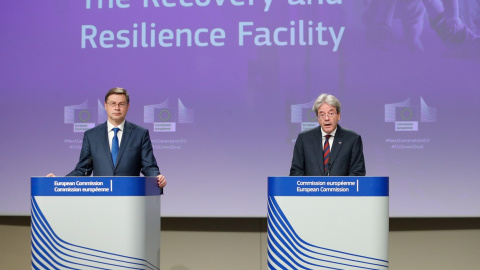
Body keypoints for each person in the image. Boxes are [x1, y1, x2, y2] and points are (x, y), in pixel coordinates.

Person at [47, 87, 167, 188]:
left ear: (128, 106)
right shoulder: (91, 135)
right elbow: (83, 170)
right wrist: (60, 182)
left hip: (130, 197)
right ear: (105, 106)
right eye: (113, 104)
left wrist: (157, 177)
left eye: (121, 104)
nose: (117, 108)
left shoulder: (140, 134)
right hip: (101, 197)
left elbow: (149, 166)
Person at [290, 94, 366, 176]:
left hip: (341, 188)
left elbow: (358, 173)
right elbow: (296, 172)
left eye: (331, 113)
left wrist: (339, 187)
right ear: (317, 118)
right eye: (322, 114)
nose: (326, 118)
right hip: (311, 189)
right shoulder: (304, 139)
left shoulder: (352, 139)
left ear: (339, 115)